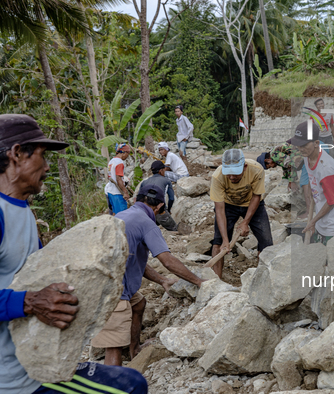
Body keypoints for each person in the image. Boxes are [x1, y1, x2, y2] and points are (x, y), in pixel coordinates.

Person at [0, 114, 148, 394]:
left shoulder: (22, 212)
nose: (46, 168)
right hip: (11, 382)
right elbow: (31, 295)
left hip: (37, 365)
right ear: (17, 154)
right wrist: (30, 302)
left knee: (131, 383)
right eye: (42, 156)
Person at [92, 183, 206, 366]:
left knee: (139, 304)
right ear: (159, 206)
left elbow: (135, 260)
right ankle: (113, 386)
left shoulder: (123, 215)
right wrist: (199, 281)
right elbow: (167, 261)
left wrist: (162, 281)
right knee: (113, 347)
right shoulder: (147, 223)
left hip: (104, 279)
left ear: (137, 199)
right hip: (110, 290)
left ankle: (135, 349)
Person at [210, 149, 273, 278]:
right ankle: (215, 281)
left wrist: (245, 222)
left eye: (235, 174)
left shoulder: (256, 169)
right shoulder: (217, 176)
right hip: (228, 205)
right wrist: (226, 241)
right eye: (229, 174)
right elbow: (220, 210)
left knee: (266, 242)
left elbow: (256, 196)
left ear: (244, 167)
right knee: (218, 242)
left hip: (252, 203)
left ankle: (263, 279)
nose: (232, 178)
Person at [292, 122, 334, 245]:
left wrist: (312, 222)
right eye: (298, 145)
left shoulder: (326, 168)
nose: (300, 148)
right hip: (323, 220)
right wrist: (311, 191)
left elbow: (332, 200)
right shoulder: (307, 156)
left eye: (304, 145)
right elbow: (312, 177)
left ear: (316, 143)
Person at [139, 160, 177, 231]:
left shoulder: (144, 182)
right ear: (160, 171)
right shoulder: (166, 181)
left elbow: (139, 199)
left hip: (146, 213)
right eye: (164, 170)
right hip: (159, 211)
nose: (165, 172)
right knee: (175, 230)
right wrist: (168, 210)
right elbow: (171, 198)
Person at [105, 143, 131, 214]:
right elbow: (118, 179)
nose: (127, 156)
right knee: (123, 216)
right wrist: (125, 192)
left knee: (117, 214)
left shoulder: (111, 161)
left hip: (110, 191)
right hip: (117, 193)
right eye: (127, 154)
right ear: (124, 152)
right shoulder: (119, 162)